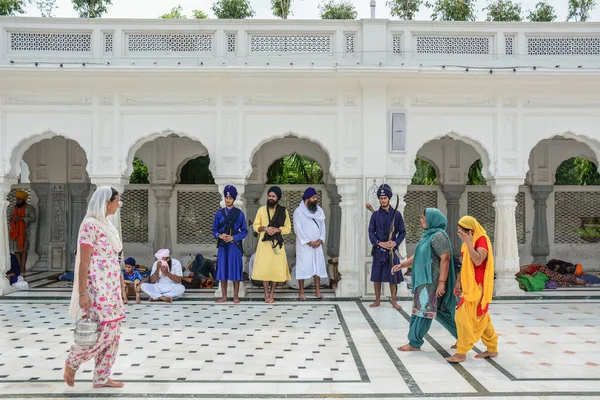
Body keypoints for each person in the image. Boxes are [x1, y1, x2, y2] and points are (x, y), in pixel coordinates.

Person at [64, 186, 124, 389]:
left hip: (112, 287)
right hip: (96, 288)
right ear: (107, 202)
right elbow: (83, 261)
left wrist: (121, 281)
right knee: (102, 331)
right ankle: (73, 362)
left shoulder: (107, 225)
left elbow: (114, 258)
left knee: (114, 332)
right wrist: (83, 293)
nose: (119, 205)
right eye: (117, 201)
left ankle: (102, 377)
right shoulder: (89, 225)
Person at [392, 208, 457, 352]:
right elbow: (418, 255)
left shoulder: (438, 236)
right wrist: (403, 264)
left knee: (424, 311)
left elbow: (445, 259)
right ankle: (464, 337)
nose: (421, 220)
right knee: (440, 312)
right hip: (423, 282)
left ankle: (414, 343)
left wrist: (441, 283)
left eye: (423, 218)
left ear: (432, 219)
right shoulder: (428, 236)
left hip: (432, 283)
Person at [446, 216, 498, 363]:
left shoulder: (481, 240)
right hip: (469, 285)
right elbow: (466, 264)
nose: (459, 234)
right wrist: (458, 282)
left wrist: (469, 243)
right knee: (482, 317)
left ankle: (461, 352)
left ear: (470, 231)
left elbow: (478, 260)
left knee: (462, 317)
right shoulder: (468, 242)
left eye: (461, 232)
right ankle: (492, 347)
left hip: (478, 286)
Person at [368, 184, 406, 310]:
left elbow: (402, 232)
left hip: (392, 251)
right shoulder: (375, 215)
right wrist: (378, 243)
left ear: (389, 198)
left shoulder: (397, 215)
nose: (383, 200)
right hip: (379, 250)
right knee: (377, 276)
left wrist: (395, 243)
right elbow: (371, 232)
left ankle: (394, 301)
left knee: (392, 276)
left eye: (385, 198)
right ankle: (377, 300)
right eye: (381, 198)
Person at [251, 186, 291, 304]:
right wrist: (266, 228)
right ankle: (266, 294)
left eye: (273, 196)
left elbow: (288, 228)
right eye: (269, 195)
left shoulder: (283, 211)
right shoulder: (261, 210)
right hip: (264, 244)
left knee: (275, 270)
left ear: (278, 198)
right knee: (265, 270)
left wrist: (277, 230)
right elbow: (255, 226)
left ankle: (272, 294)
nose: (271, 198)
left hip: (277, 244)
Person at [212, 185, 248, 304]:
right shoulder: (219, 214)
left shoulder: (239, 214)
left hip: (234, 245)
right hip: (223, 246)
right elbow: (214, 230)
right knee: (223, 270)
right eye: (226, 198)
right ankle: (224, 296)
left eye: (230, 198)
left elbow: (244, 231)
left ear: (234, 199)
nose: (228, 200)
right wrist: (220, 235)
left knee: (235, 270)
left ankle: (236, 297)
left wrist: (233, 237)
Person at [293, 187, 327, 301]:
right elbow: (298, 229)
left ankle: (318, 291)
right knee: (303, 267)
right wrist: (308, 242)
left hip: (317, 245)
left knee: (317, 267)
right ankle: (301, 292)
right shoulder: (298, 212)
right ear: (307, 199)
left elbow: (323, 226)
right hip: (304, 246)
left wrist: (320, 240)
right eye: (313, 197)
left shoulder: (319, 210)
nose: (315, 199)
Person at [9, 190, 36, 274]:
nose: (18, 201)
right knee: (16, 250)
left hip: (25, 232)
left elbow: (33, 218)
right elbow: (10, 217)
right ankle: (19, 265)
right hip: (15, 231)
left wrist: (21, 219)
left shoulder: (30, 208)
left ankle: (23, 266)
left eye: (20, 199)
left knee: (24, 250)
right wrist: (13, 219)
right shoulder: (13, 208)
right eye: (17, 199)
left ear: (24, 200)